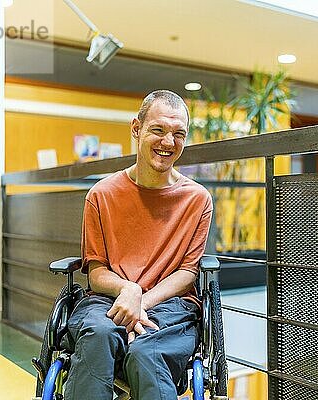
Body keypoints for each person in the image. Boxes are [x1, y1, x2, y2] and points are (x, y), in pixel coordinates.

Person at [63, 90, 213, 400]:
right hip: (107, 300)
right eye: (158, 130)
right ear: (136, 129)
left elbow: (187, 272)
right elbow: (96, 272)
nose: (168, 142)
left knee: (148, 352)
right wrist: (128, 291)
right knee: (98, 335)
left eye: (178, 134)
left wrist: (142, 302)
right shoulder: (101, 195)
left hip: (171, 306)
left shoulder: (198, 200)